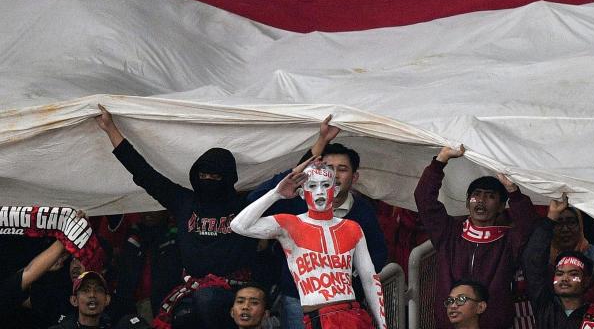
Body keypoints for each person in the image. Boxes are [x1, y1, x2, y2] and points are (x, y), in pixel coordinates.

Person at [95, 105, 260, 328]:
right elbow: (144, 173)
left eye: (215, 176)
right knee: (182, 315)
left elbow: (283, 187)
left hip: (236, 291)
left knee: (207, 300)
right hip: (191, 289)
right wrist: (110, 128)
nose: (209, 179)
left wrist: (317, 148)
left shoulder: (246, 205)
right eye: (204, 175)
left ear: (228, 178)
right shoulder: (185, 202)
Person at [246, 115, 387, 329]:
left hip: (346, 307)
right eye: (329, 167)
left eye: (342, 169)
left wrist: (343, 274)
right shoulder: (296, 204)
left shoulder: (362, 213)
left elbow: (376, 258)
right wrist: (285, 186)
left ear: (354, 177)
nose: (335, 174)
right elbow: (251, 205)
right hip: (298, 301)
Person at [414, 144, 537, 329]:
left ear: (502, 206)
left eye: (490, 196)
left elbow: (528, 223)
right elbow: (424, 198)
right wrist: (441, 160)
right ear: (466, 202)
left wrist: (513, 191)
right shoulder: (449, 232)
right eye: (476, 195)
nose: (480, 200)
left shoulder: (508, 241)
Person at [522, 195, 594, 329]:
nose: (564, 278)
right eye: (559, 273)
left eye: (573, 274)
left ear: (587, 281)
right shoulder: (545, 307)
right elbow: (532, 263)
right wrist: (551, 218)